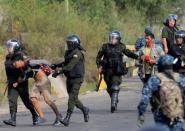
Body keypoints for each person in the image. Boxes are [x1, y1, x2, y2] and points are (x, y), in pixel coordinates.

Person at [137, 54, 185, 131]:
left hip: (161, 115)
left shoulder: (155, 79)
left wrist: (141, 113)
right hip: (179, 115)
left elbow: (145, 98)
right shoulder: (180, 78)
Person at [12, 56, 63, 126]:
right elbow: (23, 77)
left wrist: (52, 66)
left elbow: (43, 61)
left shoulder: (30, 63)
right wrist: (17, 82)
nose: (15, 66)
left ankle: (59, 116)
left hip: (44, 80)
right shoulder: (22, 69)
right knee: (32, 98)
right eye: (14, 66)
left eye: (15, 64)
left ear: (19, 61)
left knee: (48, 100)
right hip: (37, 82)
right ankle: (42, 117)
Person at [96, 30, 138, 113]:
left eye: (114, 38)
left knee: (115, 86)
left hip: (117, 70)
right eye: (111, 38)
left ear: (118, 39)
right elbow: (98, 57)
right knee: (109, 88)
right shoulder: (105, 46)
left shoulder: (121, 46)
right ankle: (114, 99)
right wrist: (99, 67)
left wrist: (139, 57)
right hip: (107, 70)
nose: (112, 40)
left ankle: (113, 105)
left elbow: (129, 53)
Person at [52, 34, 89, 126]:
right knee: (74, 99)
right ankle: (84, 109)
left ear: (74, 44)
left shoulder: (78, 53)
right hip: (70, 78)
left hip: (77, 78)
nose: (67, 45)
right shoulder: (68, 52)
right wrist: (56, 65)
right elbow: (65, 63)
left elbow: (69, 66)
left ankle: (67, 119)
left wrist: (58, 72)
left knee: (71, 97)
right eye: (67, 43)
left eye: (69, 43)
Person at [3, 39, 40, 126]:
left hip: (21, 82)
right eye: (8, 47)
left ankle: (35, 115)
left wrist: (19, 80)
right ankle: (12, 119)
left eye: (10, 46)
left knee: (26, 101)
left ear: (15, 47)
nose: (8, 48)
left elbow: (27, 68)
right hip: (12, 82)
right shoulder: (8, 56)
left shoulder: (21, 55)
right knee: (12, 100)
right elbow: (8, 67)